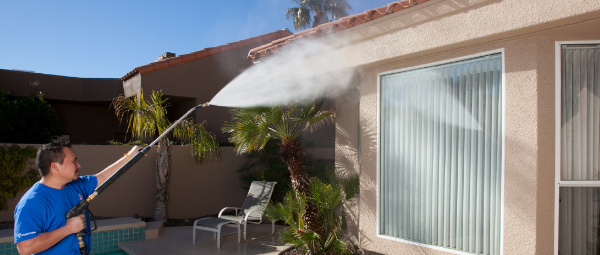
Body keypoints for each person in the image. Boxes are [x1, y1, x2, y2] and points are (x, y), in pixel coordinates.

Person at [14, 143, 143, 255]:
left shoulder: (75, 186)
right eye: (73, 161)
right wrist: (68, 229)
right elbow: (25, 248)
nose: (78, 165)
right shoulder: (32, 202)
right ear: (55, 167)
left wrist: (131, 156)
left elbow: (103, 176)